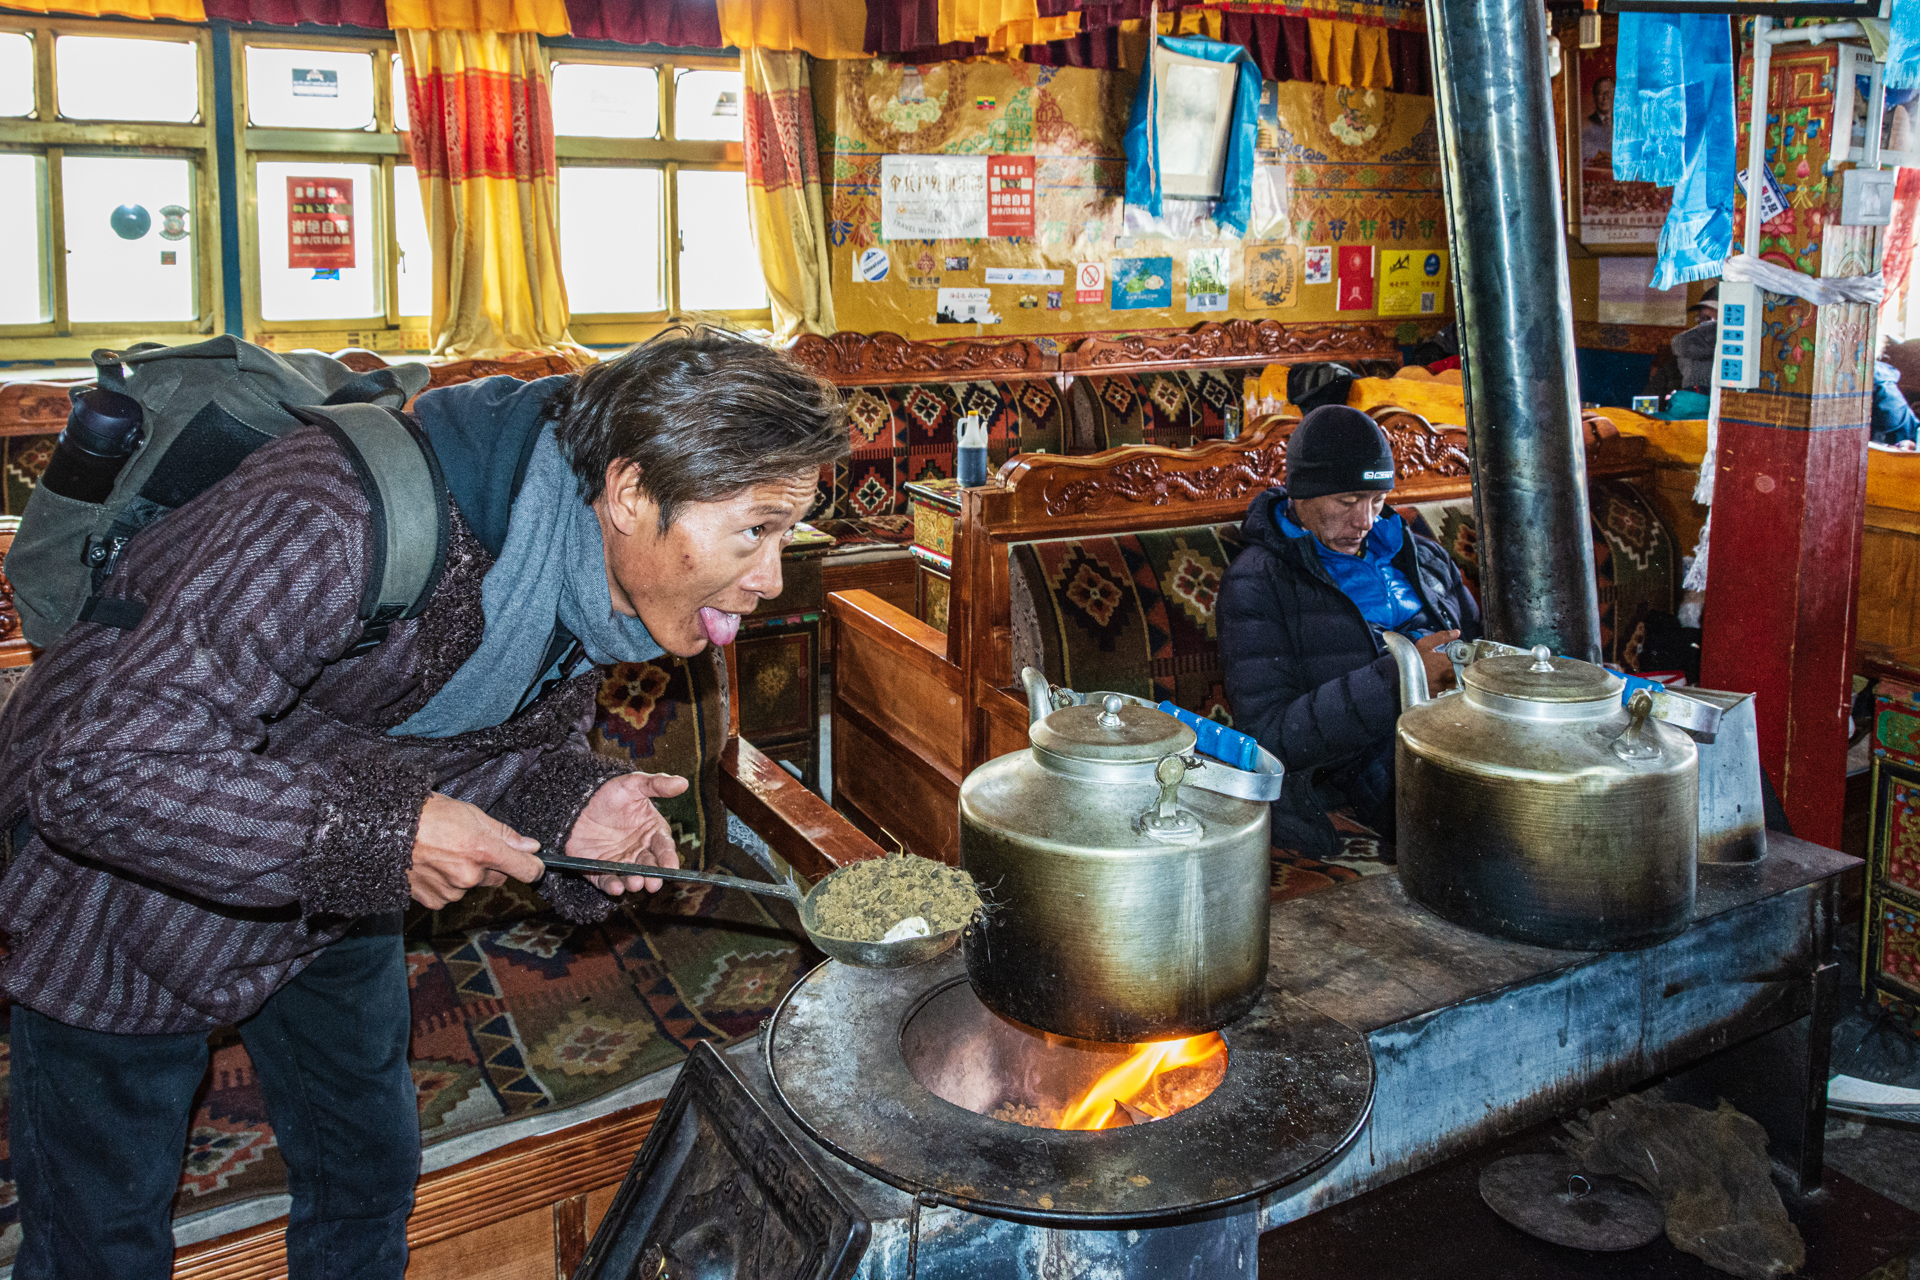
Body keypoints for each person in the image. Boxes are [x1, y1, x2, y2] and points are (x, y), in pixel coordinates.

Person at [0, 329, 848, 1279]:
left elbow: (487, 744)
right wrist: (385, 832)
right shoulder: (334, 515)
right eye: (755, 529)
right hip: (126, 902)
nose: (771, 578)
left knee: (367, 1183)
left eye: (789, 532)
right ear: (631, 492)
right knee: (100, 1247)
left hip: (323, 900)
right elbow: (93, 765)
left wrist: (572, 803)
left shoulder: (569, 565)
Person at [1217, 405, 1481, 859]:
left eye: (1377, 500)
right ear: (1302, 493)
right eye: (1347, 502)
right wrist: (1404, 676)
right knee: (1488, 820)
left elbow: (1486, 647)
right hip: (1365, 762)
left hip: (1468, 728)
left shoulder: (1425, 558)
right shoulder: (1258, 583)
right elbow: (1267, 739)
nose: (1365, 521)